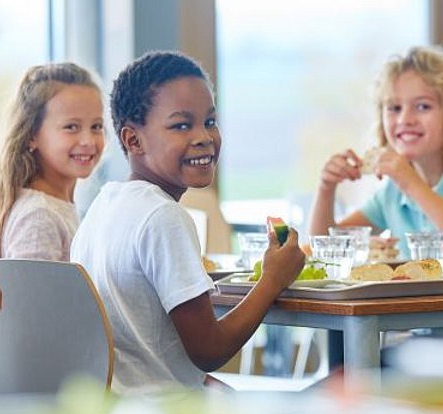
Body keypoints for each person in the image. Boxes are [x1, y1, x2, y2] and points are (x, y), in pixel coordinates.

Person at [71, 51, 305, 393]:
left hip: (118, 409)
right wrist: (272, 280)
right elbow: (209, 351)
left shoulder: (103, 205)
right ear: (132, 139)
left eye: (209, 121)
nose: (203, 137)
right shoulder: (163, 216)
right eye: (181, 125)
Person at [0, 62, 105, 341]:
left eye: (96, 126)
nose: (89, 140)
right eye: (71, 127)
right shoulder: (39, 217)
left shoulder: (55, 207)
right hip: (49, 377)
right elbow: (33, 323)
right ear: (31, 137)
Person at [308, 45, 443, 259]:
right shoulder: (392, 193)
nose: (405, 119)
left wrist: (411, 184)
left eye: (423, 106)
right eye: (394, 108)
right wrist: (326, 189)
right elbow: (325, 249)